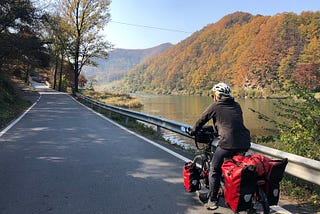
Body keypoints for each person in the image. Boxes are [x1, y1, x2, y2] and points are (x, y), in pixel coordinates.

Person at [187, 82, 251, 210]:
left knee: (214, 169)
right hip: (244, 142)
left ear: (217, 95)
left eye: (213, 95)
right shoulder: (237, 105)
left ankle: (213, 200)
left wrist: (193, 131)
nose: (213, 97)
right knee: (236, 169)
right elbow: (232, 124)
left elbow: (202, 119)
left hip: (227, 143)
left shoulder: (216, 106)